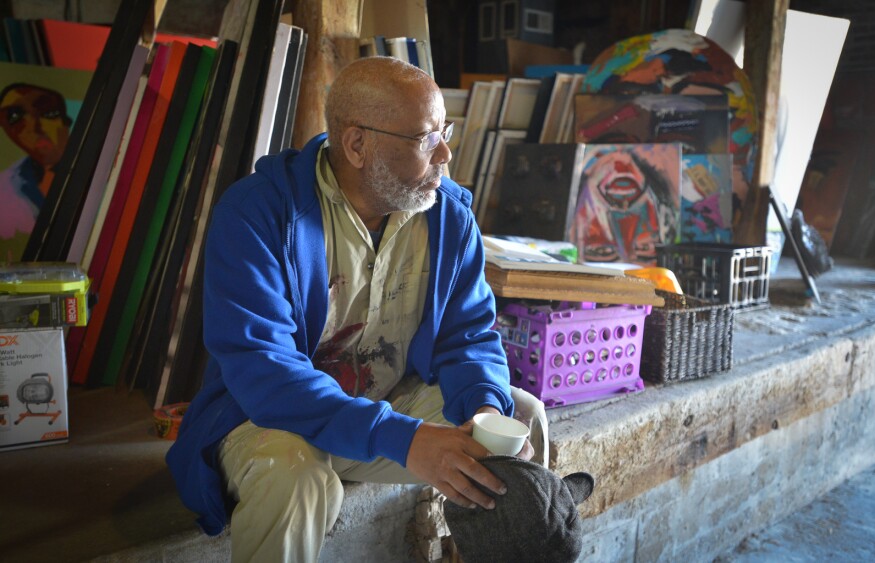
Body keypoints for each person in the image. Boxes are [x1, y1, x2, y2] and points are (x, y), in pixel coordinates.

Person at [166, 56, 548, 562]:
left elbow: (469, 337)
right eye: (425, 139)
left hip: (387, 404)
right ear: (357, 145)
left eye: (445, 132)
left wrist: (483, 409)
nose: (446, 155)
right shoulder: (258, 215)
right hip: (276, 418)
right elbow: (265, 373)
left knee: (521, 415)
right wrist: (404, 438)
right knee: (294, 476)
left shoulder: (447, 215)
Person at [0, 83, 72, 262]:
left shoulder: (111, 169)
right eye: (15, 118)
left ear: (66, 121)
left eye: (48, 112)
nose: (34, 126)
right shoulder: (6, 188)